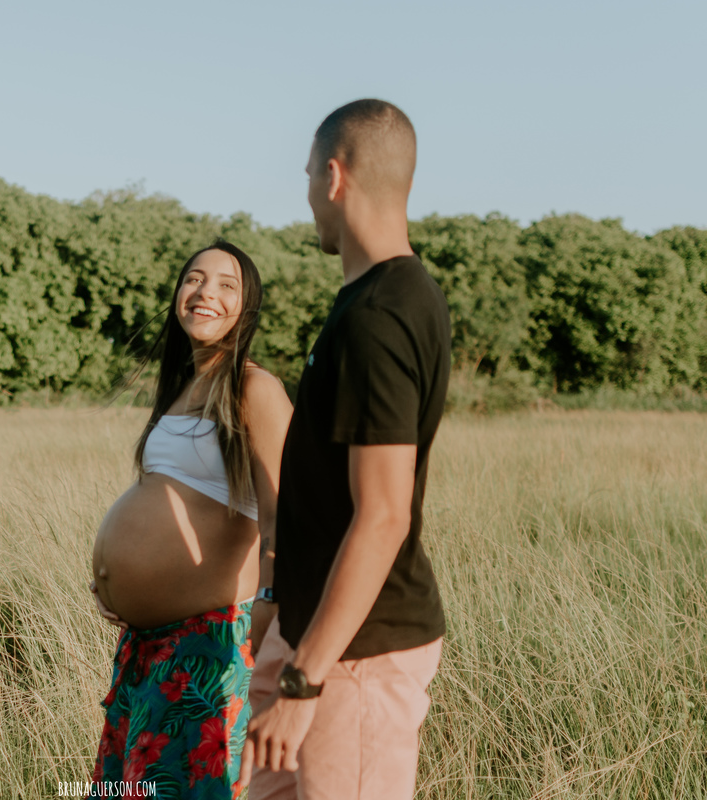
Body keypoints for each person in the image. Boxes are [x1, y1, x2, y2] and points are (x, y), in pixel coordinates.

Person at [240, 99, 452, 800]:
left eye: (308, 177)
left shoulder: (380, 318)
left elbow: (384, 515)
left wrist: (305, 682)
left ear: (333, 176)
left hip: (355, 658)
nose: (307, 196)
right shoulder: (375, 300)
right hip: (308, 635)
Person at [87, 240, 293, 798]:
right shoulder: (181, 388)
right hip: (147, 643)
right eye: (194, 279)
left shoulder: (256, 388)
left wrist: (270, 612)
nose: (206, 293)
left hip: (210, 640)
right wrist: (117, 582)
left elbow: (284, 515)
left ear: (248, 306)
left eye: (227, 285)